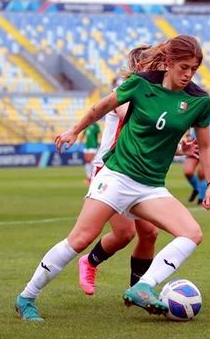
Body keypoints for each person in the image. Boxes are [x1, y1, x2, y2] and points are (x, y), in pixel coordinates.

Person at [15, 35, 210, 321]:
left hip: (150, 187)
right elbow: (102, 107)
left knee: (192, 233)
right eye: (184, 67)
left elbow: (206, 147)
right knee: (81, 238)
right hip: (117, 177)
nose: (188, 74)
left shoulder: (198, 101)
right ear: (169, 63)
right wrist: (75, 130)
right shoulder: (140, 84)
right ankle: (26, 297)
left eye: (193, 70)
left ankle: (144, 286)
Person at [77, 45, 199, 295]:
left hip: (136, 173)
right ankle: (89, 262)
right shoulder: (129, 91)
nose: (162, 71)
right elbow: (130, 113)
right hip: (112, 169)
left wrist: (180, 148)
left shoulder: (153, 93)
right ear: (142, 68)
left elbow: (154, 132)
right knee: (123, 234)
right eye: (156, 66)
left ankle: (139, 290)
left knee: (150, 234)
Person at [183, 108, 210, 204]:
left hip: (209, 143)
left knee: (202, 173)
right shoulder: (196, 109)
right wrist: (187, 134)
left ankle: (201, 199)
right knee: (188, 171)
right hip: (194, 142)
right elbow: (187, 123)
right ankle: (198, 188)